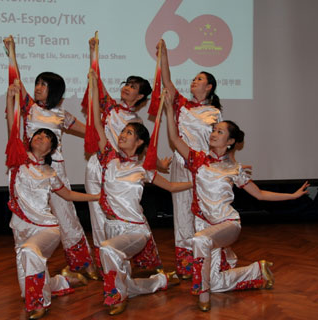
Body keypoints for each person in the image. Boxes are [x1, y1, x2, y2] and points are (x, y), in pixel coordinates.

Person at [163, 90, 309, 311]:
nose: (213, 133)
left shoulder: (234, 169)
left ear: (230, 141)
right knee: (214, 281)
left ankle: (203, 299)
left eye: (219, 131)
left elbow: (259, 194)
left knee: (200, 241)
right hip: (204, 225)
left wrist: (293, 195)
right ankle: (256, 272)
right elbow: (174, 139)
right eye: (213, 130)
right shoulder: (197, 160)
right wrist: (167, 109)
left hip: (227, 224)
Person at [89, 70, 191, 315]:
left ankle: (117, 298)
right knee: (125, 276)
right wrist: (94, 86)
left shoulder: (144, 169)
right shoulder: (108, 159)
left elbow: (173, 187)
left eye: (129, 134)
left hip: (135, 230)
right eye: (123, 132)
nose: (122, 135)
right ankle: (160, 281)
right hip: (112, 227)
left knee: (108, 250)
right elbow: (95, 122)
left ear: (140, 143)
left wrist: (196, 182)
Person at [4, 37, 98, 279]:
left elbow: (89, 132)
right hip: (29, 171)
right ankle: (32, 261)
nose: (38, 88)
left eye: (44, 85)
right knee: (32, 215)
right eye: (37, 83)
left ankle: (83, 263)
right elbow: (16, 80)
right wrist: (12, 52)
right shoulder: (28, 107)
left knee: (66, 214)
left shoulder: (61, 114)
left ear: (54, 90)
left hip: (55, 170)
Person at [84, 37, 170, 275]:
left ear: (141, 97)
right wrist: (93, 52)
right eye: (126, 83)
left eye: (133, 87)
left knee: (123, 215)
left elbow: (141, 153)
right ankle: (104, 263)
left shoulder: (138, 123)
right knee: (97, 213)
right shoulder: (110, 107)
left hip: (120, 173)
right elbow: (95, 84)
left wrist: (159, 165)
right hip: (97, 166)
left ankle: (127, 258)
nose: (127, 87)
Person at [5, 106, 100, 319]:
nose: (41, 136)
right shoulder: (16, 161)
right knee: (25, 289)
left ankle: (40, 304)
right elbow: (12, 127)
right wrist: (11, 99)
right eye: (38, 133)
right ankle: (62, 281)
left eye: (47, 136)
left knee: (31, 252)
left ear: (50, 149)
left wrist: (96, 197)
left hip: (46, 229)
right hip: (20, 228)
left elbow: (68, 195)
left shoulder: (49, 172)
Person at [156, 39, 235, 279]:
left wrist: (227, 168)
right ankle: (186, 265)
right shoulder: (182, 105)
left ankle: (209, 260)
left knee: (206, 213)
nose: (194, 81)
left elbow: (223, 142)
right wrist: (164, 56)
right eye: (193, 79)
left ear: (209, 87)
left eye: (199, 79)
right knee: (181, 214)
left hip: (204, 169)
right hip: (182, 165)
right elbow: (167, 82)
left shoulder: (215, 113)